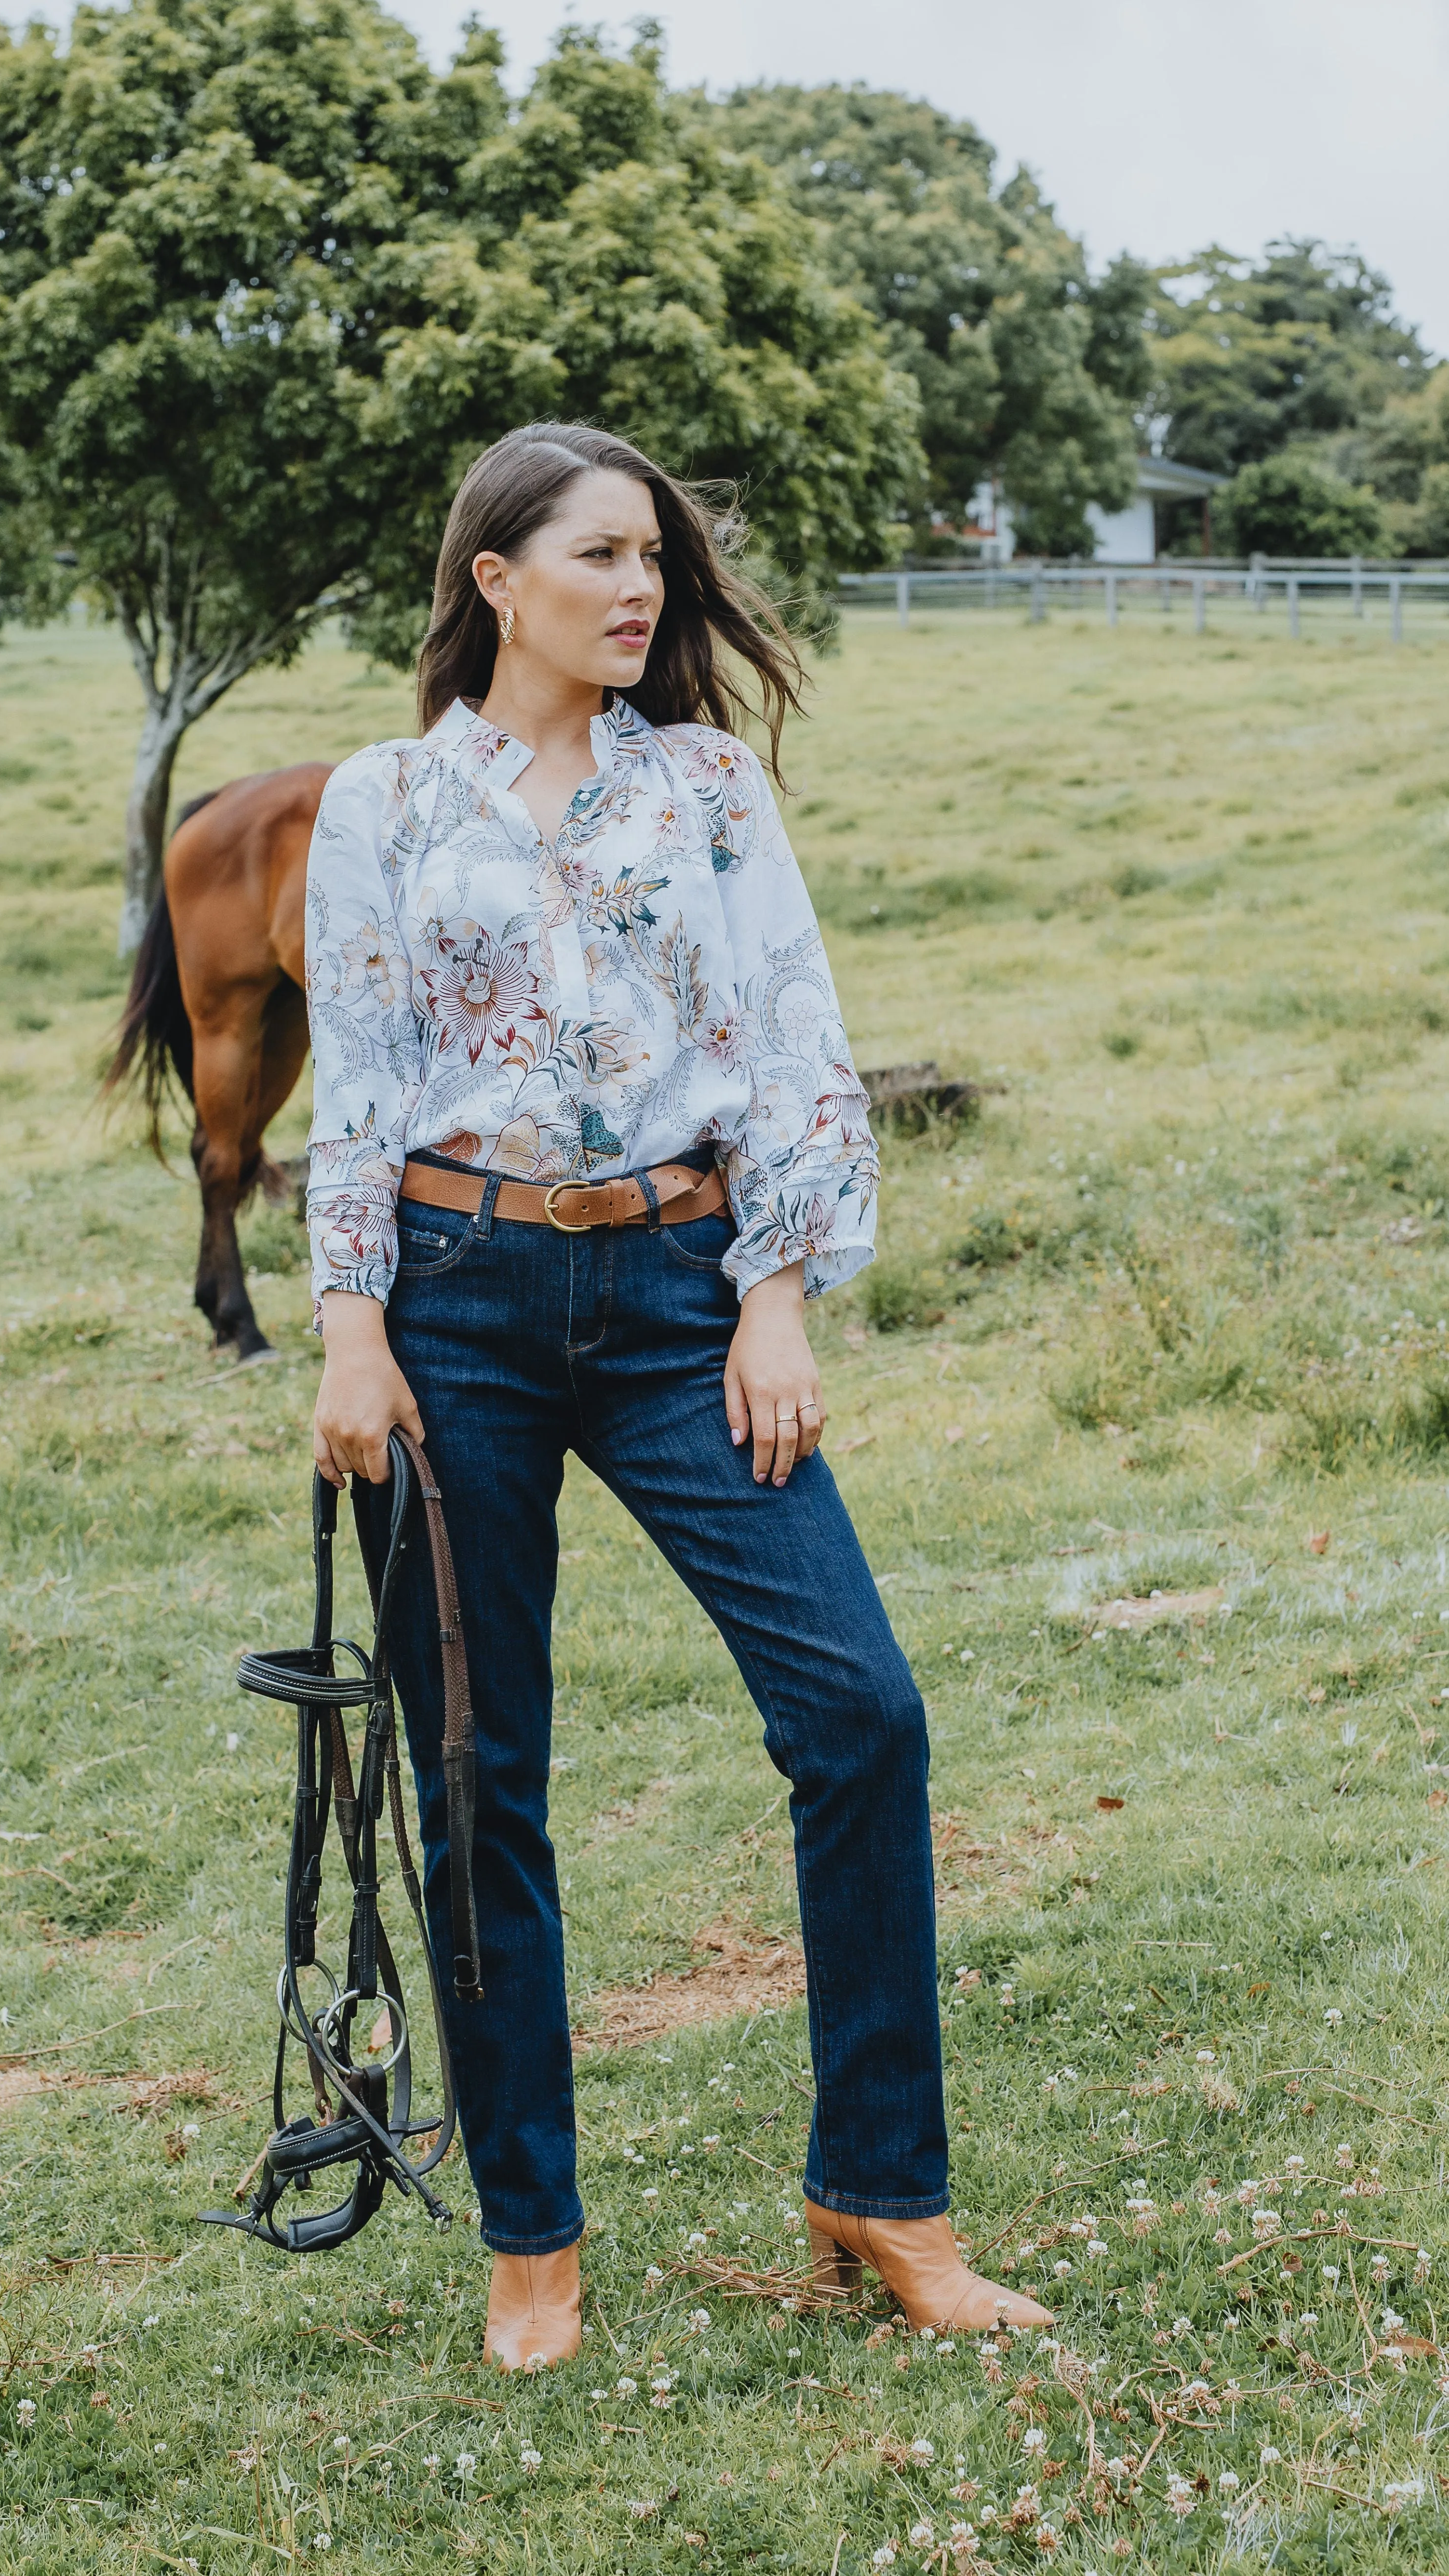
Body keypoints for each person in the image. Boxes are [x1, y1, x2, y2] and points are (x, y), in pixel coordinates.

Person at [302, 420, 1052, 2367]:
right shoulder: (383, 801)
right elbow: (361, 1079)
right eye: (602, 558)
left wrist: (772, 1299)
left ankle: (882, 2191)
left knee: (860, 1708)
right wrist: (351, 1329)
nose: (641, 590)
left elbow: (792, 1034)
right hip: (454, 1299)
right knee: (479, 1778)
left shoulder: (711, 787)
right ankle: (532, 2235)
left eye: (656, 559)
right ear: (496, 581)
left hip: (675, 1291)